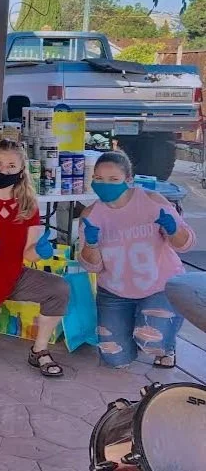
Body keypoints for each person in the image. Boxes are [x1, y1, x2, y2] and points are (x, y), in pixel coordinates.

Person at [0, 140, 69, 377]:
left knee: (58, 288)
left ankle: (39, 350)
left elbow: (28, 253)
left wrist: (41, 251)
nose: (3, 170)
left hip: (12, 276)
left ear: (21, 170)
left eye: (10, 165)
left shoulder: (28, 204)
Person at [78, 151, 193, 369]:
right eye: (99, 179)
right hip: (114, 292)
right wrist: (90, 245)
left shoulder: (152, 201)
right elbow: (93, 266)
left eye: (113, 180)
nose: (105, 185)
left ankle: (165, 342)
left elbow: (185, 244)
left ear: (128, 180)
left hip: (161, 286)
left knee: (154, 343)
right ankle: (137, 325)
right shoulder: (90, 214)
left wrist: (172, 228)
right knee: (115, 359)